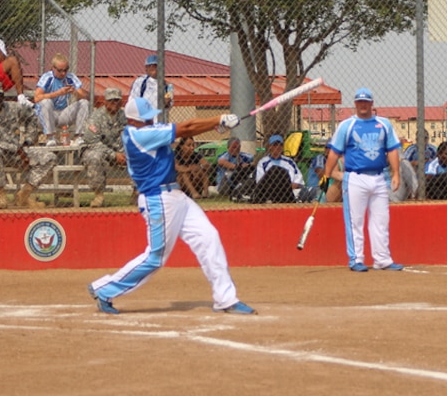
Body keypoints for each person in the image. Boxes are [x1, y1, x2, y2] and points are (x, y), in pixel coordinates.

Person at [87, 98, 255, 315]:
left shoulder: (146, 130)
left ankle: (226, 298)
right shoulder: (140, 135)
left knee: (208, 237)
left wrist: (214, 126)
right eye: (145, 118)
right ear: (132, 120)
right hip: (158, 198)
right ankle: (104, 289)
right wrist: (219, 118)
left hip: (176, 196)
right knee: (156, 257)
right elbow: (186, 127)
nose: (150, 120)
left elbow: (184, 134)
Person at [323, 87, 404, 272]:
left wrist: (396, 173)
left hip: (378, 177)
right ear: (355, 104)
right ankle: (356, 259)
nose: (363, 106)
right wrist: (326, 176)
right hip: (355, 178)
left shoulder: (383, 124)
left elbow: (392, 149)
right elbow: (334, 152)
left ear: (371, 103)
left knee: (381, 220)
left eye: (366, 102)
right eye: (360, 102)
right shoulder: (347, 125)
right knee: (355, 220)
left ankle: (382, 259)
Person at [0, 82, 57, 209]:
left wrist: (29, 139)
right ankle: (1, 196)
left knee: (49, 157)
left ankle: (24, 195)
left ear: (3, 96)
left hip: (16, 153)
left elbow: (32, 117)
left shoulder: (13, 108)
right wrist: (13, 147)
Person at [81, 87, 127, 208]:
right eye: (111, 101)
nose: (114, 103)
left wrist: (125, 153)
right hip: (98, 151)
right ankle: (98, 195)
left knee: (138, 154)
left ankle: (137, 192)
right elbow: (93, 142)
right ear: (105, 102)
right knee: (94, 157)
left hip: (119, 152)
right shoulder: (95, 118)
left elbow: (131, 135)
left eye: (117, 100)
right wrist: (113, 155)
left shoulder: (124, 116)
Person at [33, 53, 89, 146]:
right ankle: (50, 137)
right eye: (60, 70)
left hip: (63, 114)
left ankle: (78, 137)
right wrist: (58, 93)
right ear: (53, 68)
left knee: (84, 103)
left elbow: (84, 95)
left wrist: (74, 92)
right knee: (46, 102)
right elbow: (36, 97)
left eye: (66, 70)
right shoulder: (47, 77)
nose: (63, 73)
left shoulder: (70, 77)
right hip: (47, 115)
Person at [253, 133, 303, 203]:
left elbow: (298, 178)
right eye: (275, 145)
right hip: (270, 193)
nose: (278, 147)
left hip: (288, 192)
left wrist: (290, 186)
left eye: (280, 145)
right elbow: (260, 181)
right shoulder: (263, 162)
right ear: (270, 147)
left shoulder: (289, 161)